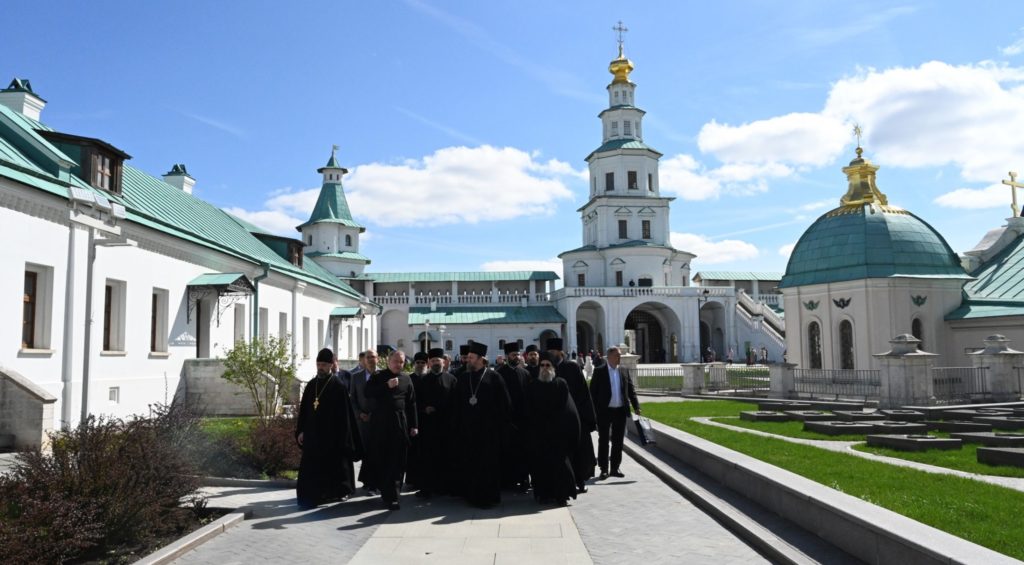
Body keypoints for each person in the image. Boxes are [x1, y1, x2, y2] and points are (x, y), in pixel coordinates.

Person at [295, 348, 361, 509]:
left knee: (335, 468)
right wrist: (301, 431)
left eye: (324, 364)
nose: (320, 367)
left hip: (332, 438)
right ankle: (312, 496)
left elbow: (345, 416)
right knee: (311, 468)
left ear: (331, 365)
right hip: (312, 436)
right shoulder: (311, 385)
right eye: (318, 364)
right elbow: (304, 411)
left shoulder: (338, 386)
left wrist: (343, 438)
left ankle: (337, 492)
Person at [452, 342, 511, 507]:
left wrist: (500, 426)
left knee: (488, 465)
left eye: (471, 358)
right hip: (468, 431)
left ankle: (489, 497)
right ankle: (471, 495)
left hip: (488, 431)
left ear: (480, 359)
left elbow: (504, 404)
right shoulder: (464, 378)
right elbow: (456, 404)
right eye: (468, 357)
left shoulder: (494, 377)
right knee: (470, 462)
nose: (467, 360)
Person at [525, 352, 580, 506]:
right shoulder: (533, 386)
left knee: (560, 467)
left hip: (557, 434)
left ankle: (561, 495)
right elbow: (529, 410)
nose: (544, 368)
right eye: (542, 365)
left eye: (547, 365)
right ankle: (543, 495)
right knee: (540, 467)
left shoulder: (561, 384)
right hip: (539, 434)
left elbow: (566, 409)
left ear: (553, 367)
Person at [365, 349, 418, 510]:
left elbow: (412, 403)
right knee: (383, 459)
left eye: (401, 362)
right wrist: (386, 386)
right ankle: (386, 491)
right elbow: (368, 392)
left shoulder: (406, 379)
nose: (398, 364)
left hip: (400, 424)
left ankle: (394, 495)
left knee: (398, 461)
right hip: (381, 425)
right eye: (395, 361)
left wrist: (414, 425)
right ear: (388, 362)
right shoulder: (378, 376)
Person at [547, 338, 597, 494]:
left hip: (575, 418)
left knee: (579, 452)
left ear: (560, 352)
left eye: (552, 352)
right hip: (556, 420)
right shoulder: (547, 368)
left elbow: (583, 393)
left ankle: (580, 481)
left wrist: (587, 418)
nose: (550, 355)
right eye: (548, 352)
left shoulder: (572, 367)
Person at [409, 348, 458, 498]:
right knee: (428, 457)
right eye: (433, 360)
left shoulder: (452, 379)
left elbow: (456, 402)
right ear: (429, 363)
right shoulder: (422, 380)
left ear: (443, 362)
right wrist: (424, 408)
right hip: (428, 425)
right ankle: (427, 488)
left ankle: (446, 487)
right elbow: (415, 401)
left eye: (438, 360)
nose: (436, 363)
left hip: (446, 425)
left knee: (446, 456)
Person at [589, 346, 641, 480]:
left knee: (618, 441)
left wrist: (636, 406)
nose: (619, 357)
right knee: (604, 440)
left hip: (620, 411)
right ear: (610, 356)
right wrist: (593, 411)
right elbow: (593, 393)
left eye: (619, 355)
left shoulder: (623, 370)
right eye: (617, 355)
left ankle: (615, 468)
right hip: (604, 411)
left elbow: (630, 390)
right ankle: (604, 469)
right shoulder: (599, 371)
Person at [497, 342, 530, 491]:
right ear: (506, 356)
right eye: (513, 355)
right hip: (506, 419)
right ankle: (507, 480)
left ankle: (523, 479)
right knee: (507, 451)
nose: (516, 357)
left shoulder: (525, 373)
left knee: (523, 451)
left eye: (517, 354)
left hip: (522, 420)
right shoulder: (499, 373)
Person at [351, 349, 379, 493]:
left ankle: (374, 482)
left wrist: (374, 415)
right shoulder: (356, 377)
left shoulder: (383, 375)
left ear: (377, 359)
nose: (370, 359)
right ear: (364, 360)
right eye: (368, 357)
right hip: (362, 421)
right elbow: (353, 400)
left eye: (373, 357)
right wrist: (360, 414)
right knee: (366, 451)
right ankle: (368, 481)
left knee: (377, 451)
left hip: (379, 421)